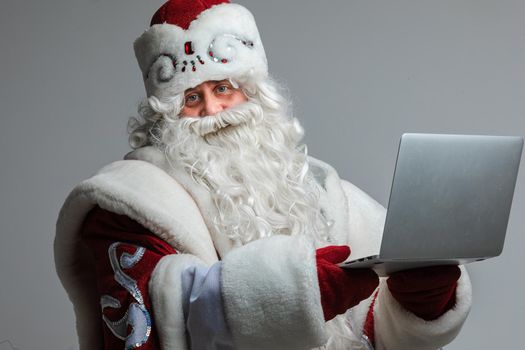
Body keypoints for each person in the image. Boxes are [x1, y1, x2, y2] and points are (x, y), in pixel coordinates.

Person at [54, 1, 472, 349]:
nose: (213, 112)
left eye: (223, 89)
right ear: (165, 114)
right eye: (191, 98)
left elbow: (366, 326)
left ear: (253, 93)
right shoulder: (131, 202)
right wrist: (290, 293)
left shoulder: (319, 185)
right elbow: (151, 318)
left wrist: (420, 302)